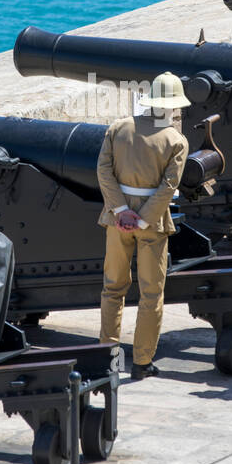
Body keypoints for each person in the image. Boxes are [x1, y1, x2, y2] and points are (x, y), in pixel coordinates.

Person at [96, 71, 190, 380]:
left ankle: (107, 360)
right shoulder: (176, 141)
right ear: (174, 106)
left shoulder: (118, 128)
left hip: (117, 218)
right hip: (151, 223)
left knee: (113, 289)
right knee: (151, 294)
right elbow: (168, 187)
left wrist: (122, 210)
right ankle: (141, 361)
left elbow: (104, 171)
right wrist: (143, 218)